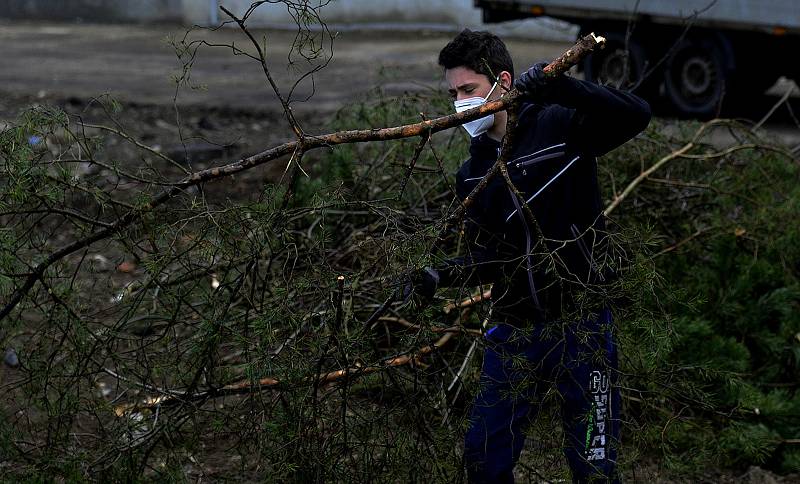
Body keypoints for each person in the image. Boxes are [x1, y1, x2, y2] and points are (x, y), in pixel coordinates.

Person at [405, 29, 651, 482]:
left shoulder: (560, 127)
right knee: (483, 460)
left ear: (501, 81)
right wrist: (440, 274)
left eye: (468, 90)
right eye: (452, 94)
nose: (459, 104)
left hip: (583, 327)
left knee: (593, 465)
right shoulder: (473, 174)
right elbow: (492, 259)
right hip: (515, 332)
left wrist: (563, 85)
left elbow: (637, 115)